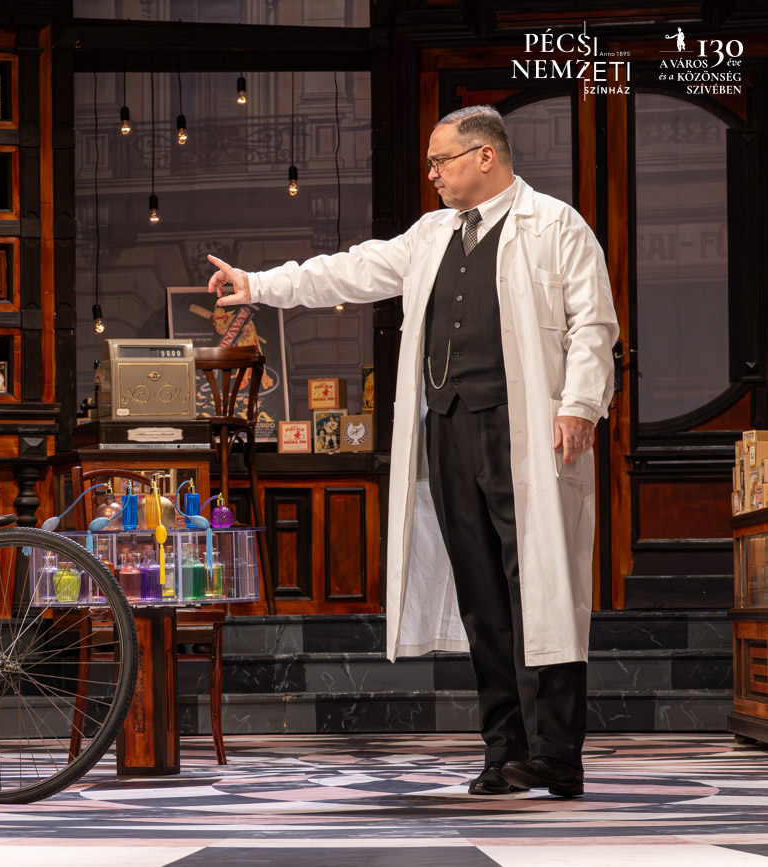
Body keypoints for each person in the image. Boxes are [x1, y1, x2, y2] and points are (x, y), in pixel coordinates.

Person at [209, 106, 617, 798]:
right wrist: (262, 285)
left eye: (441, 160)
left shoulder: (555, 225)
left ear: (485, 156)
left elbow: (593, 323)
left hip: (525, 431)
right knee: (481, 595)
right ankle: (504, 750)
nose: (431, 174)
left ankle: (556, 754)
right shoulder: (432, 234)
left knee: (540, 588)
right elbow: (351, 271)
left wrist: (579, 403)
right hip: (450, 431)